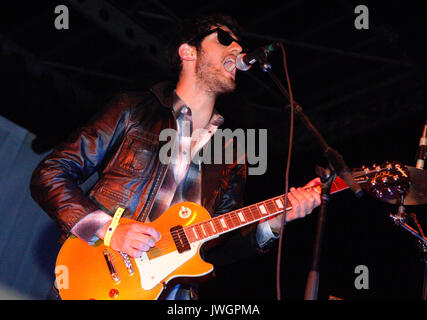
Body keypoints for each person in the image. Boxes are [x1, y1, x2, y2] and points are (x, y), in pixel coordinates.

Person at [30, 13, 321, 300]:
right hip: (98, 279)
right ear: (187, 51)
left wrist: (272, 224)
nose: (238, 49)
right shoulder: (133, 110)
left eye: (239, 44)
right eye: (223, 39)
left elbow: (217, 247)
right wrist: (110, 229)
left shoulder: (232, 152)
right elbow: (50, 173)